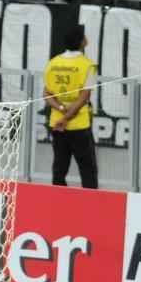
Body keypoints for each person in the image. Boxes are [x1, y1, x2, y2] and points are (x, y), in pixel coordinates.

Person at [43, 24, 99, 190]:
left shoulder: (52, 63)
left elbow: (47, 94)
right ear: (83, 42)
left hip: (56, 123)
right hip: (79, 124)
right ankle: (90, 205)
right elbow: (84, 97)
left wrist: (61, 110)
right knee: (88, 169)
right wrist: (68, 117)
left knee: (59, 168)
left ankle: (58, 204)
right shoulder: (88, 65)